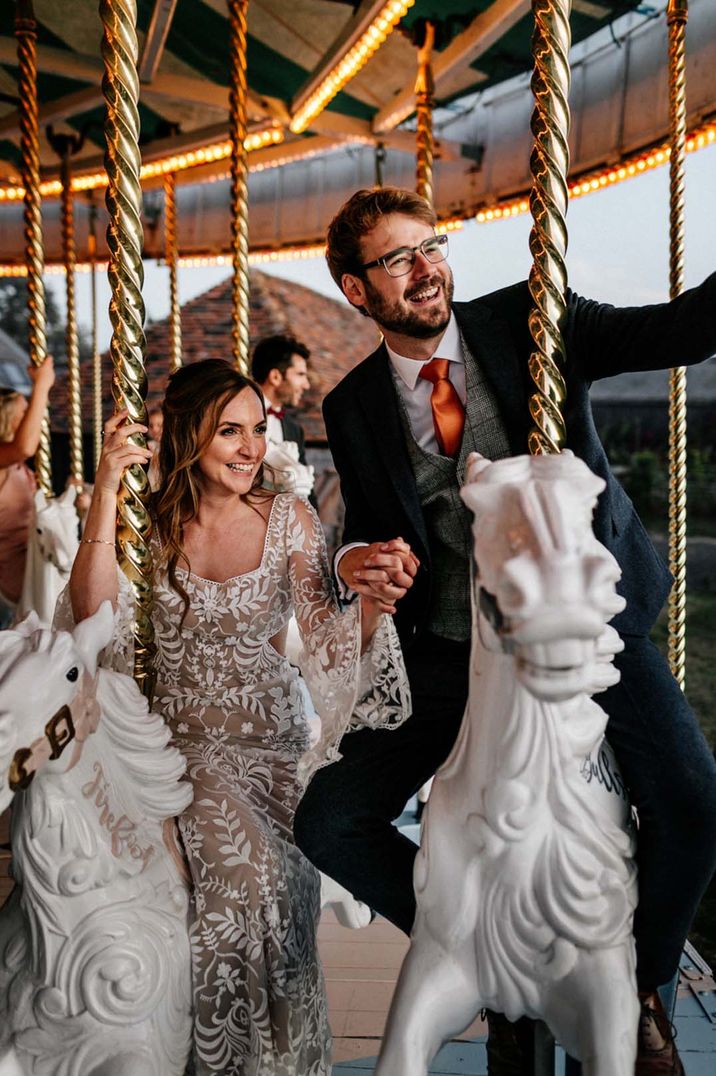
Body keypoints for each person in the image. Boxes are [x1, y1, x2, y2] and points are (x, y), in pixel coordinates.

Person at [292, 187, 716, 1076]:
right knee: (332, 822)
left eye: (431, 246)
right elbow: (375, 527)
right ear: (354, 288)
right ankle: (480, 955)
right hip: (455, 649)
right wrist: (367, 559)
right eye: (396, 260)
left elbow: (679, 332)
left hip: (580, 627)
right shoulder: (356, 405)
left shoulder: (530, 318)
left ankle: (643, 988)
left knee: (690, 797)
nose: (425, 268)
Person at [67, 359, 410, 1076]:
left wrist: (373, 604)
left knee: (272, 893)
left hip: (271, 749)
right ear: (190, 435)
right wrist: (105, 493)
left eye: (257, 429)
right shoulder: (152, 518)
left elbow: (323, 644)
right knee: (232, 882)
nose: (250, 448)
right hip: (174, 748)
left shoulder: (290, 519)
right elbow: (93, 617)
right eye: (229, 431)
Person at [0, 356, 55, 628]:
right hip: (9, 581)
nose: (32, 417)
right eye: (24, 412)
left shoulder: (19, 468)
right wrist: (42, 386)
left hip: (33, 566)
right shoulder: (4, 461)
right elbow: (24, 446)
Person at [251, 334, 317, 507]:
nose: (306, 384)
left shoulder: (294, 429)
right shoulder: (239, 415)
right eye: (300, 374)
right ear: (275, 377)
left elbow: (308, 492)